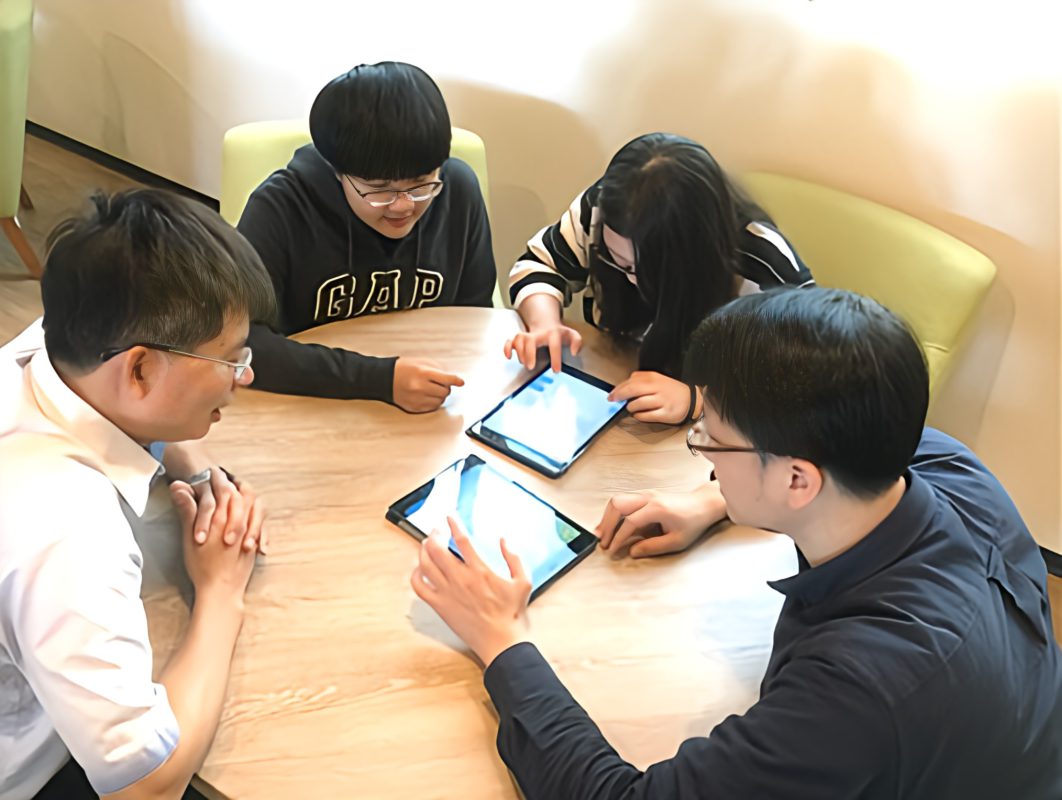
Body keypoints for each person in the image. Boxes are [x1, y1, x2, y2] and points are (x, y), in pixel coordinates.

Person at [413, 287, 1062, 798]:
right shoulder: (943, 464)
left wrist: (502, 640)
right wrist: (712, 503)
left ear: (798, 479)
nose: (704, 455)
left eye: (713, 441)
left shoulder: (859, 689)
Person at [0, 189, 277, 799]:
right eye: (231, 360)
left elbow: (119, 400)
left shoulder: (59, 341)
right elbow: (145, 785)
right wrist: (221, 592)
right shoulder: (69, 532)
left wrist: (193, 468)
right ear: (141, 368)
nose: (245, 376)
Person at [237, 61, 496, 414]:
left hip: (429, 404)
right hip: (311, 402)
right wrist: (380, 380)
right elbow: (241, 343)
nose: (403, 205)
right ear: (337, 171)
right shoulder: (279, 208)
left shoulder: (458, 190)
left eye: (421, 183)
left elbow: (474, 317)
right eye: (379, 189)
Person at [504, 132, 814, 425]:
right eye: (621, 264)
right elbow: (540, 263)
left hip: (718, 432)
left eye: (651, 273)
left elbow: (806, 383)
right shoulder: (601, 210)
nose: (635, 283)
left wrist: (699, 400)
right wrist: (545, 323)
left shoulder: (761, 261)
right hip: (620, 392)